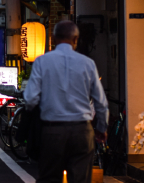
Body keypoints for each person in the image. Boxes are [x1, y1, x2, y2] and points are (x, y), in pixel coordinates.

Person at [23, 20, 109, 183]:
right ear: (75, 39)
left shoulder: (42, 62)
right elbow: (101, 102)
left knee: (49, 178)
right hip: (82, 131)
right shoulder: (88, 64)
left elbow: (30, 99)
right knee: (80, 179)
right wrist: (101, 128)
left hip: (52, 130)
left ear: (54, 38)